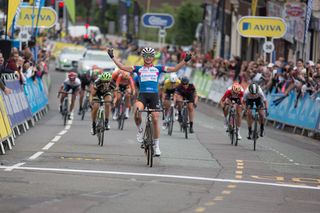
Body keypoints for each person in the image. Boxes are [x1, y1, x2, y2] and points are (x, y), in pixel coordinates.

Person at [107, 47, 192, 156]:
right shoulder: (138, 68)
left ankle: (156, 146)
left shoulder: (159, 68)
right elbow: (122, 67)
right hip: (142, 95)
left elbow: (174, 69)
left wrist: (185, 60)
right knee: (137, 111)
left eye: (150, 56)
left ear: (153, 57)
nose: (148, 58)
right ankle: (140, 130)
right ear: (143, 57)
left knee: (155, 118)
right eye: (146, 56)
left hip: (154, 96)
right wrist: (112, 57)